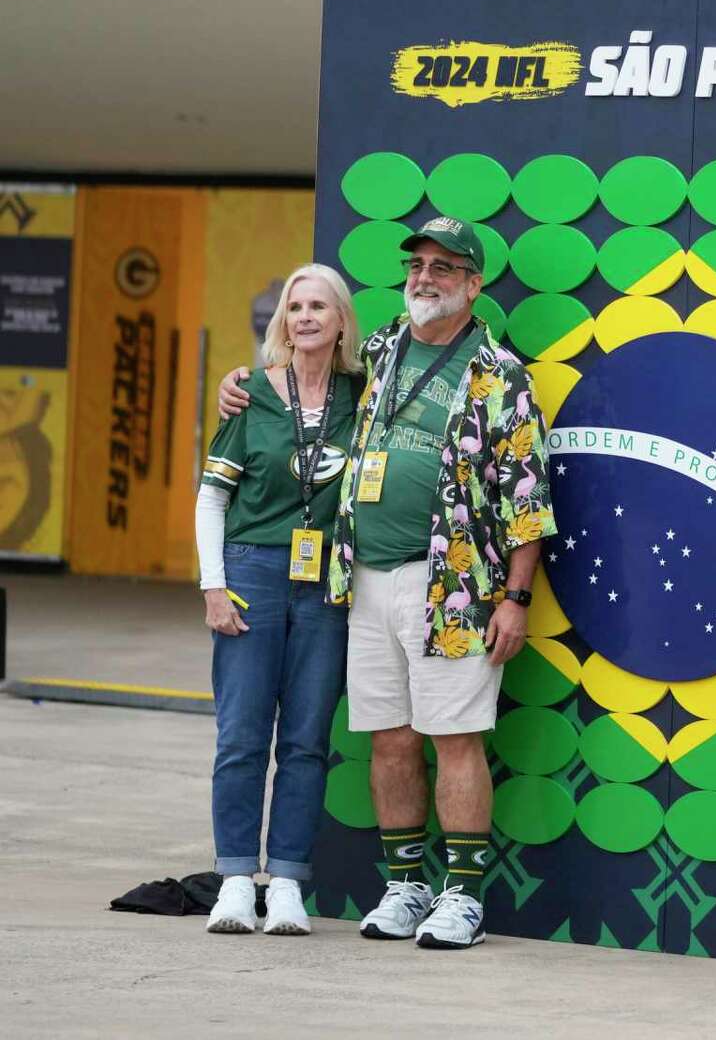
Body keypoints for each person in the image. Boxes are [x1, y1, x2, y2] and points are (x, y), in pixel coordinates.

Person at [217, 216, 554, 950]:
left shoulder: (499, 371)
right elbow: (299, 387)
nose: (425, 276)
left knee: (456, 739)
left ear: (474, 284)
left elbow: (527, 496)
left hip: (455, 586)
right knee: (391, 740)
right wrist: (241, 383)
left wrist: (516, 597)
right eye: (418, 263)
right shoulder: (377, 350)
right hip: (362, 578)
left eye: (444, 267)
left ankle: (462, 898)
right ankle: (406, 887)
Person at [197, 264, 362, 935]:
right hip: (251, 569)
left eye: (319, 306)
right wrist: (213, 586)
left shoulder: (365, 397)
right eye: (295, 307)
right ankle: (237, 878)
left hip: (326, 581)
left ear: (341, 320)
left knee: (305, 741)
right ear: (281, 321)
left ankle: (288, 881)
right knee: (241, 734)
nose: (305, 317)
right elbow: (213, 497)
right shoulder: (249, 395)